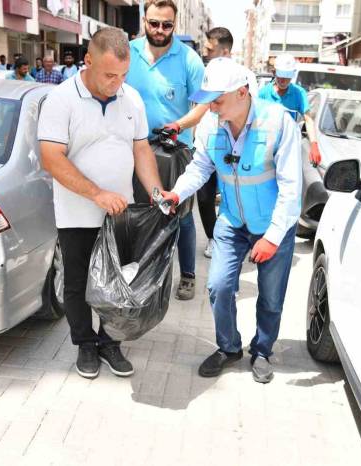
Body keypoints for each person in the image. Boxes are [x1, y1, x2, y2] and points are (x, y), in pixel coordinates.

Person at [161, 58, 302, 384]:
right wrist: (176, 194)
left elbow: (292, 189)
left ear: (242, 92)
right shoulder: (211, 126)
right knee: (219, 286)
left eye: (218, 99)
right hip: (233, 222)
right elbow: (199, 168)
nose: (210, 107)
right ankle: (229, 347)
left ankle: (262, 350)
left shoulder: (278, 123)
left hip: (273, 226)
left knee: (270, 296)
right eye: (208, 100)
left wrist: (272, 237)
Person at [38, 28, 163, 379]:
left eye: (123, 75)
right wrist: (96, 194)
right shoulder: (61, 100)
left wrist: (155, 193)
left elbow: (141, 149)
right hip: (77, 213)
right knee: (77, 283)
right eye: (109, 75)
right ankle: (85, 345)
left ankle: (110, 342)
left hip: (119, 214)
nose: (116, 83)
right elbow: (51, 157)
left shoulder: (131, 99)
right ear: (88, 60)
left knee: (119, 281)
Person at [125, 0, 207, 300]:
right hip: (134, 150)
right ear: (144, 20)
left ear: (175, 24)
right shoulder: (128, 52)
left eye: (167, 25)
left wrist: (180, 125)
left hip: (175, 152)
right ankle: (142, 272)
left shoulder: (189, 59)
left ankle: (187, 275)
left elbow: (204, 106)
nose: (160, 30)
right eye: (154, 23)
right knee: (139, 212)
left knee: (180, 214)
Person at [198, 26, 258, 259]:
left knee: (237, 195)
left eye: (209, 49)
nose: (205, 52)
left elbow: (253, 117)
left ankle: (247, 238)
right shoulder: (208, 74)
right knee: (204, 195)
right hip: (211, 143)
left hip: (236, 150)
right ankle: (215, 238)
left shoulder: (245, 77)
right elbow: (203, 110)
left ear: (224, 51)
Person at [258, 55, 320, 166]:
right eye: (281, 75)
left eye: (287, 76)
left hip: (288, 146)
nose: (283, 80)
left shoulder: (299, 93)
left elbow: (308, 120)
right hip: (266, 145)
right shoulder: (263, 93)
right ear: (274, 72)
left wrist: (314, 145)